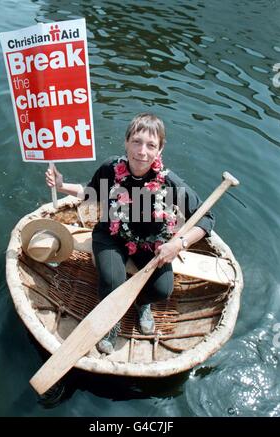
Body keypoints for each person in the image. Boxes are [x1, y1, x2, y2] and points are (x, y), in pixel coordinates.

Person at [45, 113, 215, 354]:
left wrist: (179, 244)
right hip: (111, 236)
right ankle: (111, 320)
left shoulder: (169, 183)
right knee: (112, 281)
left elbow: (206, 217)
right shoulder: (110, 169)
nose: (142, 151)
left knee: (162, 289)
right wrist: (61, 185)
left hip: (151, 244)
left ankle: (141, 304)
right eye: (136, 141)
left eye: (151, 145)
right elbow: (91, 193)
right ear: (126, 142)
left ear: (160, 149)